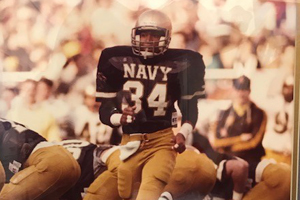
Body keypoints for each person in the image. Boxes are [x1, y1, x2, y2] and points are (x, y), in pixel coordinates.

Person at [95, 9, 206, 200]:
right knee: (120, 192)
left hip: (162, 141)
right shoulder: (115, 59)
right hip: (129, 141)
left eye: (154, 36)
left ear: (166, 37)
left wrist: (183, 132)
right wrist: (119, 117)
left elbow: (189, 107)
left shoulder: (183, 62)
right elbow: (105, 108)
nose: (147, 40)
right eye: (143, 34)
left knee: (150, 189)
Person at [0, 118, 81, 200]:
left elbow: (4, 175)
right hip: (65, 158)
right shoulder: (5, 125)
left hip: (49, 164)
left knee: (5, 197)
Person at [212, 75, 267, 163]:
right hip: (226, 159)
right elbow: (216, 142)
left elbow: (253, 142)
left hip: (249, 160)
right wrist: (240, 139)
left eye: (244, 90)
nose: (241, 93)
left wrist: (228, 147)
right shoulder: (224, 113)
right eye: (238, 89)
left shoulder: (258, 113)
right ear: (233, 91)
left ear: (249, 91)